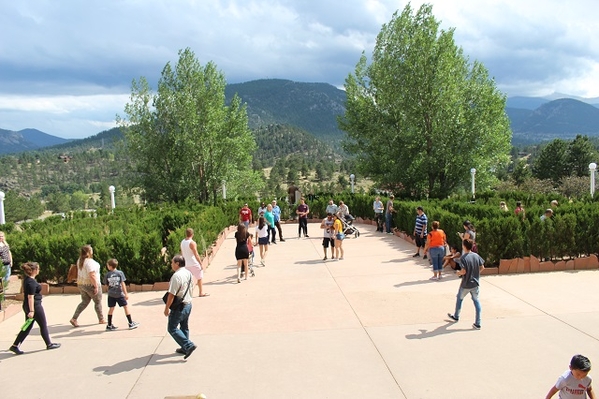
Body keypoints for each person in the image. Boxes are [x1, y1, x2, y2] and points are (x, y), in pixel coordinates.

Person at [9, 262, 61, 354]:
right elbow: (30, 297)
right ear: (33, 270)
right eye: (38, 269)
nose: (39, 270)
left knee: (27, 327)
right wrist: (32, 310)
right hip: (35, 306)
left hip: (27, 306)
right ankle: (49, 344)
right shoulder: (31, 283)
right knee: (43, 325)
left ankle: (15, 345)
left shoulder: (27, 280)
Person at [447, 239, 485, 329]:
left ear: (464, 246)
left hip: (466, 283)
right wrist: (476, 274)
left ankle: (456, 316)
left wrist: (458, 273)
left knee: (459, 299)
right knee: (476, 301)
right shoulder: (476, 255)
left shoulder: (463, 258)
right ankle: (478, 322)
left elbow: (463, 271)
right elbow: (482, 267)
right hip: (475, 283)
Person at [164, 254, 196, 359]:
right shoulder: (189, 273)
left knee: (172, 328)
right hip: (188, 304)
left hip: (179, 307)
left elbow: (171, 294)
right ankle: (184, 347)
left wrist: (166, 308)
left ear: (177, 264)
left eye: (172, 262)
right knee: (184, 326)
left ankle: (188, 345)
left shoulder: (176, 276)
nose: (171, 264)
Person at [70, 245, 105, 327]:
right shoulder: (90, 262)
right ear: (89, 252)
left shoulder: (80, 260)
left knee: (84, 301)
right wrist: (96, 286)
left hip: (81, 284)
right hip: (90, 284)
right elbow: (92, 275)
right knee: (98, 302)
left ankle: (74, 318)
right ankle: (101, 319)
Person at [102, 258, 139, 331]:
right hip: (119, 294)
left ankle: (109, 324)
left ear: (109, 266)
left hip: (111, 294)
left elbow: (106, 285)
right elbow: (122, 283)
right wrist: (126, 294)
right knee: (125, 307)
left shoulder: (107, 274)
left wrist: (109, 289)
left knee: (111, 308)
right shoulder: (120, 273)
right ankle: (130, 322)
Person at [180, 228, 208, 297]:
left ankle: (186, 294)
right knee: (199, 277)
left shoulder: (182, 242)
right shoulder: (192, 243)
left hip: (186, 263)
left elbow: (181, 253)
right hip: (193, 263)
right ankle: (201, 292)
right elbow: (196, 254)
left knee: (187, 279)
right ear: (192, 234)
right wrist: (200, 263)